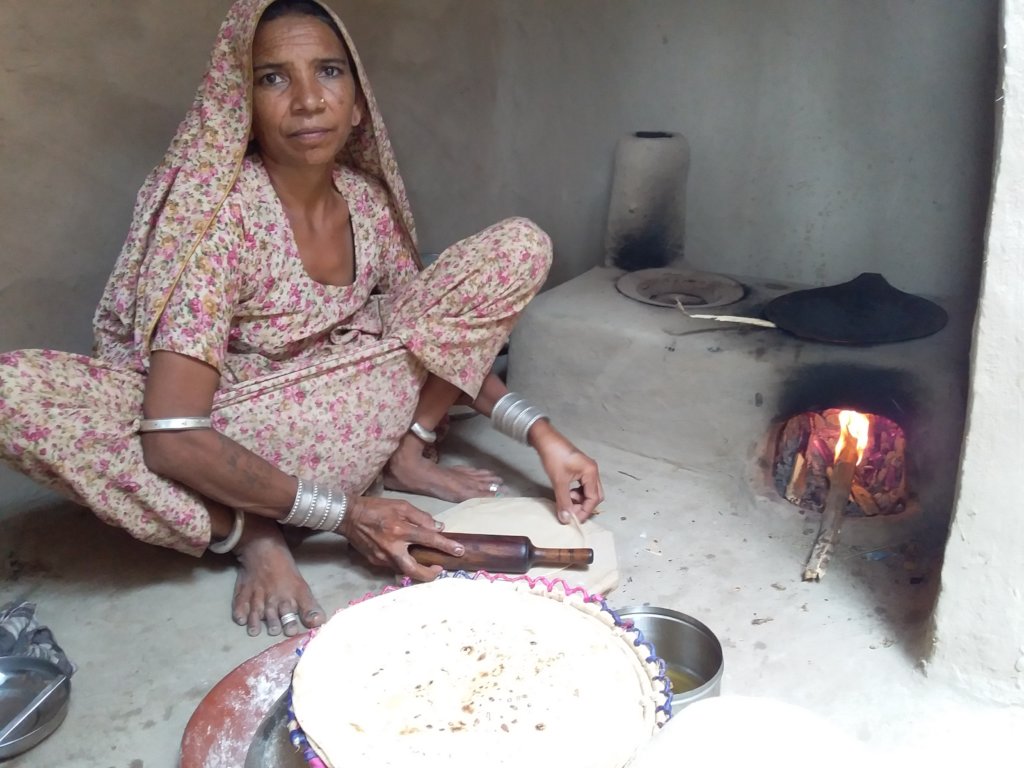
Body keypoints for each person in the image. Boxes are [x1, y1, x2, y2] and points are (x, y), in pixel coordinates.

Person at [0, 0, 604, 638]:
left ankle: (407, 455)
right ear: (241, 104)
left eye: (329, 72)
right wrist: (346, 516)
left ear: (359, 97)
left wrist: (543, 435)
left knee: (519, 245)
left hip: (363, 402)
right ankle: (253, 530)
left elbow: (432, 333)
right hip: (245, 438)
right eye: (273, 77)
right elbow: (174, 435)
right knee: (14, 392)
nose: (309, 99)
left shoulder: (366, 203)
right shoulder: (221, 217)